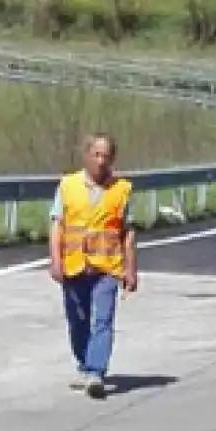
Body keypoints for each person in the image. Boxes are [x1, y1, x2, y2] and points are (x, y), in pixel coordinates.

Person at [48, 133, 138, 400]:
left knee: (103, 320)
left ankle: (96, 372)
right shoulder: (67, 185)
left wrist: (131, 268)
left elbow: (128, 232)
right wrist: (55, 260)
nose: (101, 161)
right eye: (97, 155)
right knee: (77, 321)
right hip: (74, 265)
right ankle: (85, 363)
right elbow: (57, 225)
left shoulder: (122, 189)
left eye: (106, 156)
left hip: (108, 267)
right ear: (87, 156)